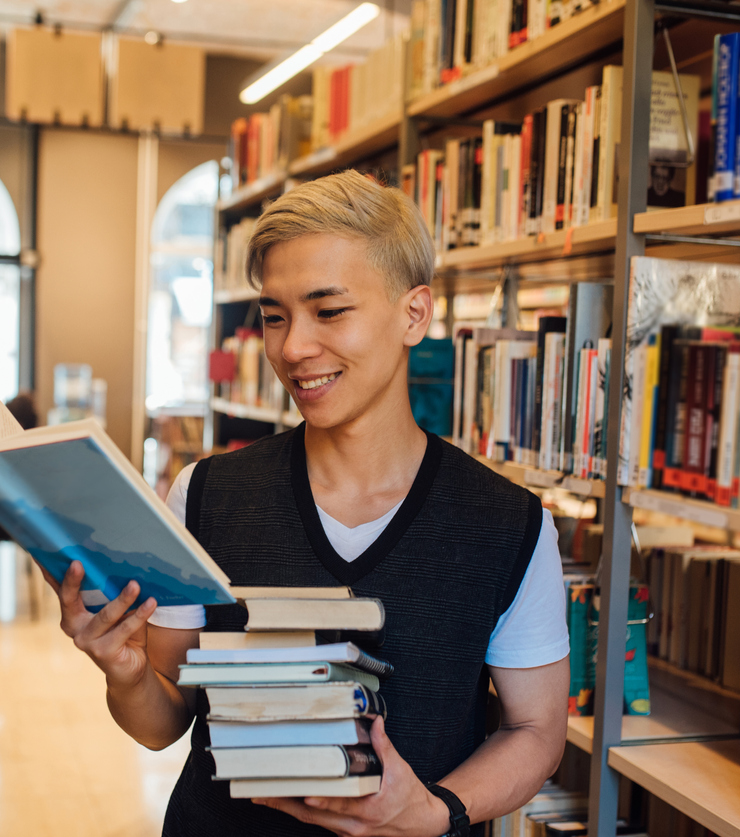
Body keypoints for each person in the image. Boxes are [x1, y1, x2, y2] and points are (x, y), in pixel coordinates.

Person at [42, 170, 570, 836]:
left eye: (329, 310)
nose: (292, 348)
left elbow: (538, 729)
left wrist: (434, 808)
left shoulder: (510, 526)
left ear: (415, 314)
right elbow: (162, 723)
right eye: (274, 316)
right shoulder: (205, 495)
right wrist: (123, 670)